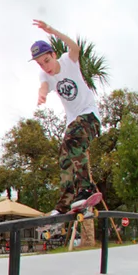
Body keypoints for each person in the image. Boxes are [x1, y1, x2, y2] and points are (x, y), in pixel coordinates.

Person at [31, 19, 101, 216]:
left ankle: (86, 189)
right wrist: (42, 94)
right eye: (40, 64)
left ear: (54, 55)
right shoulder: (45, 76)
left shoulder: (68, 61)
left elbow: (75, 47)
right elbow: (43, 84)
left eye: (47, 61)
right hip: (73, 123)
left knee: (72, 137)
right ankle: (65, 205)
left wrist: (52, 30)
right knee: (64, 158)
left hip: (90, 117)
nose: (46, 67)